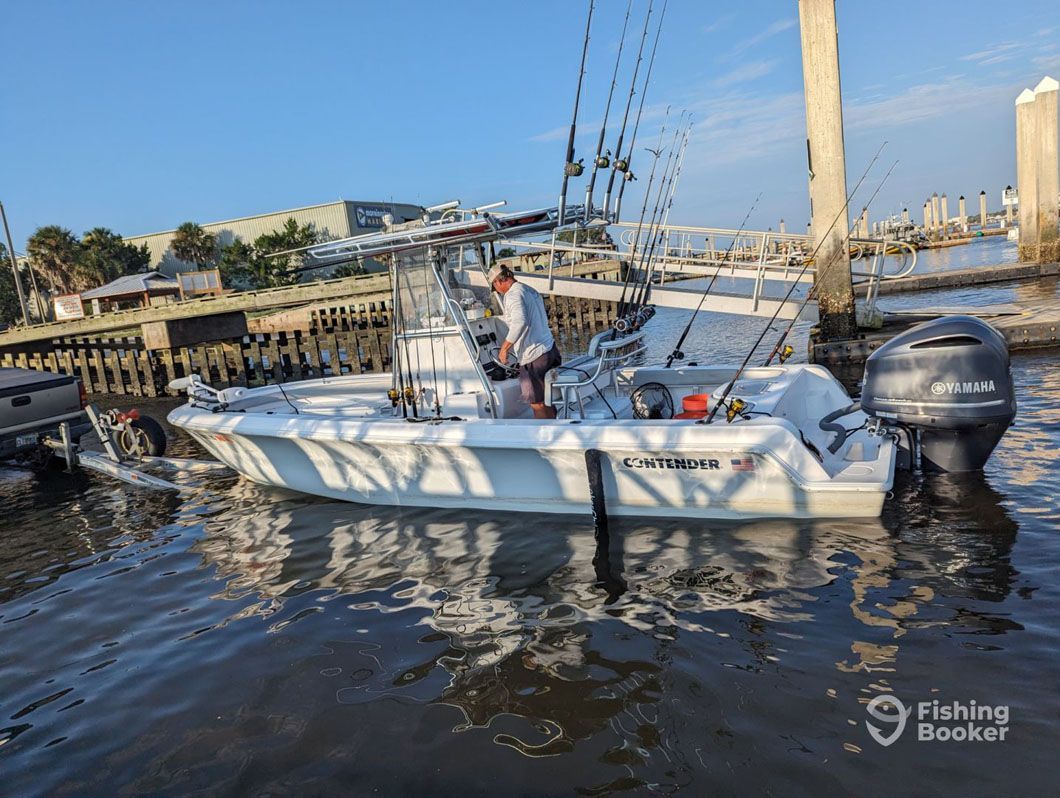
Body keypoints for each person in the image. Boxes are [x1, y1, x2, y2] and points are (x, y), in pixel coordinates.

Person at [488, 264, 562, 419]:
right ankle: (554, 427)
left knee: (536, 403)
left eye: (495, 288)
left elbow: (520, 322)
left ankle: (544, 438)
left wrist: (504, 348)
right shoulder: (528, 289)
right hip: (549, 349)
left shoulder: (512, 295)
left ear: (498, 282)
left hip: (533, 357)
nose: (498, 292)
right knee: (546, 400)